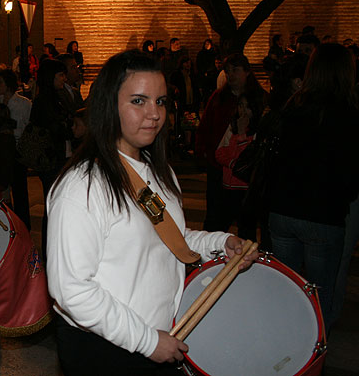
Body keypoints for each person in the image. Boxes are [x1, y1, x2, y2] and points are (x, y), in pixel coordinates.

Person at [47, 49, 257, 376]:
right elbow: (71, 288)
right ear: (108, 105)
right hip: (107, 349)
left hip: (160, 338)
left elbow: (168, 237)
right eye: (138, 101)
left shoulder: (158, 172)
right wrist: (146, 341)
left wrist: (220, 243)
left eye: (159, 102)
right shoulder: (83, 185)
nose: (154, 114)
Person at [266, 43, 359, 331]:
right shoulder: (348, 112)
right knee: (321, 294)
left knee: (287, 290)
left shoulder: (294, 105)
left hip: (283, 210)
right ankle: (314, 352)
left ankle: (287, 347)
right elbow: (350, 173)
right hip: (323, 214)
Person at [195, 54, 265, 233]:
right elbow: (205, 128)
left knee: (246, 224)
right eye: (227, 71)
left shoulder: (259, 98)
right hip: (219, 167)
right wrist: (204, 153)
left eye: (236, 70)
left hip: (246, 173)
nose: (231, 75)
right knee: (215, 220)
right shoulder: (219, 97)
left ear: (247, 72)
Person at [30, 59, 72, 257]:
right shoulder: (44, 100)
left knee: (56, 204)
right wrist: (69, 127)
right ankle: (50, 252)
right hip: (49, 160)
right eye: (60, 75)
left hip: (56, 158)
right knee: (53, 205)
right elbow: (53, 129)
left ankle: (53, 250)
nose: (64, 78)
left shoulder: (55, 97)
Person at [214, 92, 264, 241]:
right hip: (227, 188)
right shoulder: (233, 127)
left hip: (245, 190)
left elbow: (247, 161)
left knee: (246, 232)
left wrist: (241, 135)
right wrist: (232, 162)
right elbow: (219, 152)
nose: (243, 110)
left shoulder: (257, 131)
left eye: (247, 107)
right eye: (241, 105)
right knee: (218, 228)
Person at [0, 69, 32, 228]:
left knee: (20, 190)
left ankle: (23, 225)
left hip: (17, 149)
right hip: (2, 151)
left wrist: (11, 131)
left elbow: (27, 127)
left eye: (0, 82)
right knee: (3, 189)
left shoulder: (23, 103)